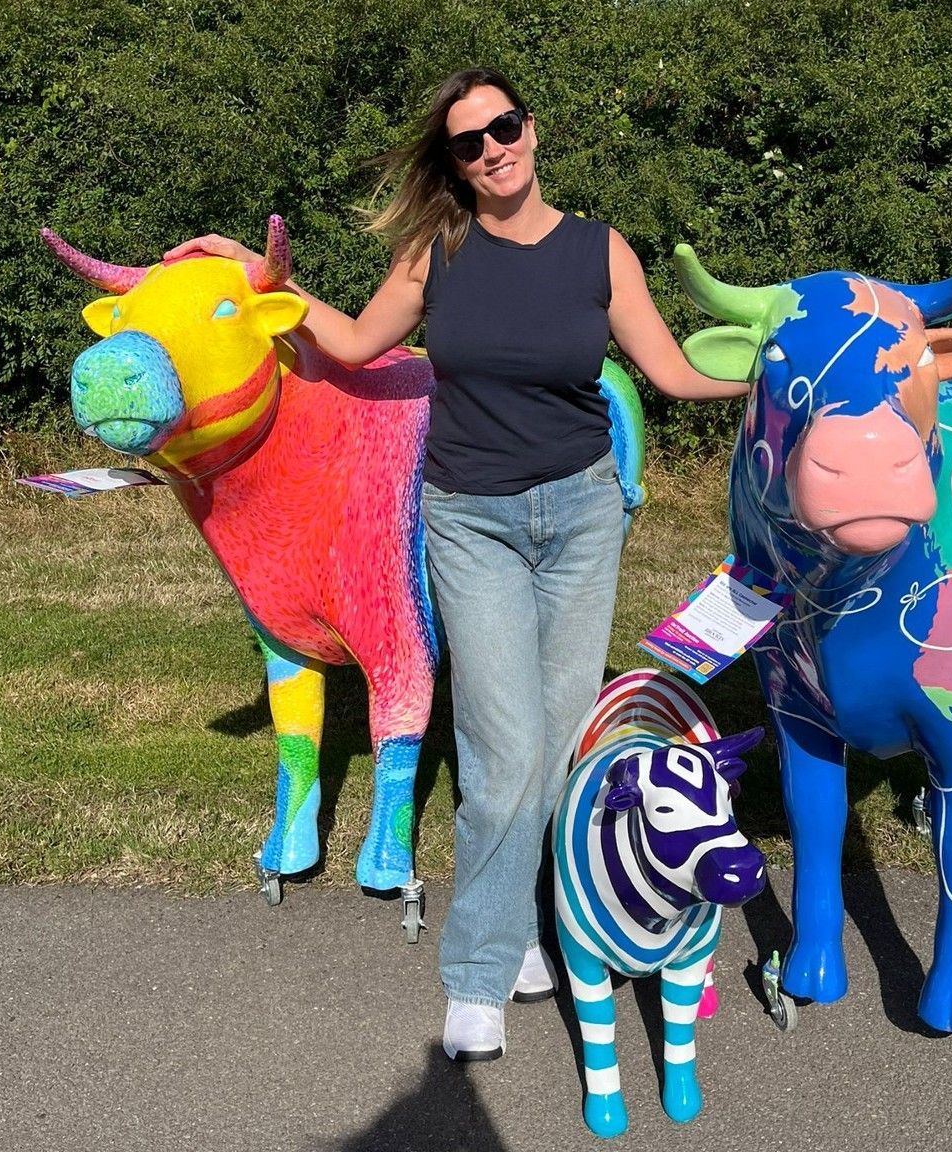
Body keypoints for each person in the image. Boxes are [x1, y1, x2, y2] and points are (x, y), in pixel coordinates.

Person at [165, 67, 748, 1062]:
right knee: (498, 745)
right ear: (454, 164)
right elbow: (348, 343)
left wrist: (777, 365)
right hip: (468, 520)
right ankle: (480, 969)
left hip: (580, 517)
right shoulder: (436, 250)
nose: (490, 151)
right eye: (467, 143)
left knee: (559, 743)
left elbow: (669, 370)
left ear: (532, 127)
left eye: (502, 128)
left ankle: (543, 932)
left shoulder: (599, 251)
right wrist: (256, 283)